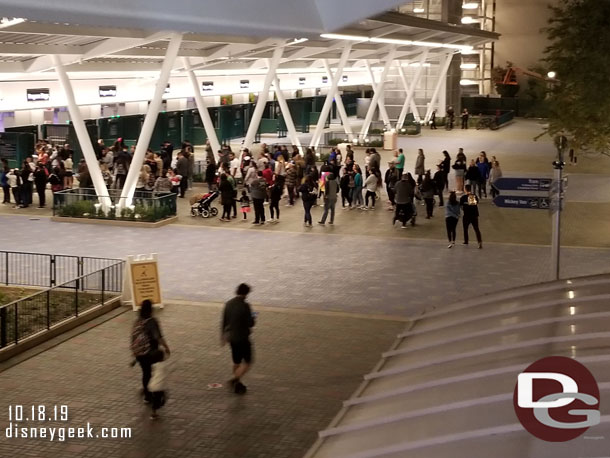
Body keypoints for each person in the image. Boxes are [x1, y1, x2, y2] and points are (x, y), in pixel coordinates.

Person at [131, 299, 171, 418]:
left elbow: (134, 338)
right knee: (153, 373)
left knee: (145, 373)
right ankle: (153, 394)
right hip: (150, 352)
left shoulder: (138, 321)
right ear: (151, 309)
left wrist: (135, 355)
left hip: (139, 353)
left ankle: (147, 396)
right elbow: (158, 337)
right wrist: (166, 347)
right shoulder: (152, 321)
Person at [221, 283, 255, 395]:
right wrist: (253, 317)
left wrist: (223, 336)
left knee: (236, 361)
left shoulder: (228, 304)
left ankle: (237, 382)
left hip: (232, 338)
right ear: (246, 294)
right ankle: (235, 379)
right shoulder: (245, 306)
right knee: (248, 362)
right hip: (243, 338)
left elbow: (224, 321)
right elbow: (250, 323)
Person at [460, 184, 483, 248]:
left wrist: (465, 208)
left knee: (465, 229)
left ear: (465, 189)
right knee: (476, 229)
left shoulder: (463, 197)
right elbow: (473, 206)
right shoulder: (473, 196)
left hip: (467, 215)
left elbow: (461, 206)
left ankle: (466, 241)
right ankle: (479, 242)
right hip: (474, 215)